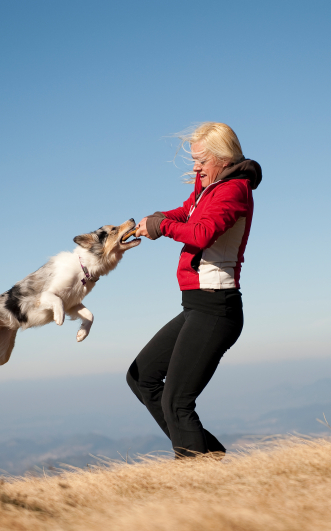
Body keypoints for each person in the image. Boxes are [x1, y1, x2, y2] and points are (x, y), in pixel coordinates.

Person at [126, 122, 262, 458]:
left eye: (201, 160)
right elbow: (187, 211)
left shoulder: (234, 191)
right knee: (141, 377)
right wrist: (155, 218)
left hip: (217, 308)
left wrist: (162, 227)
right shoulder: (208, 185)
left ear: (223, 158)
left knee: (176, 402)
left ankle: (198, 481)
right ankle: (211, 459)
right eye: (193, 160)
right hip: (196, 307)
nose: (195, 167)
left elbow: (201, 233)